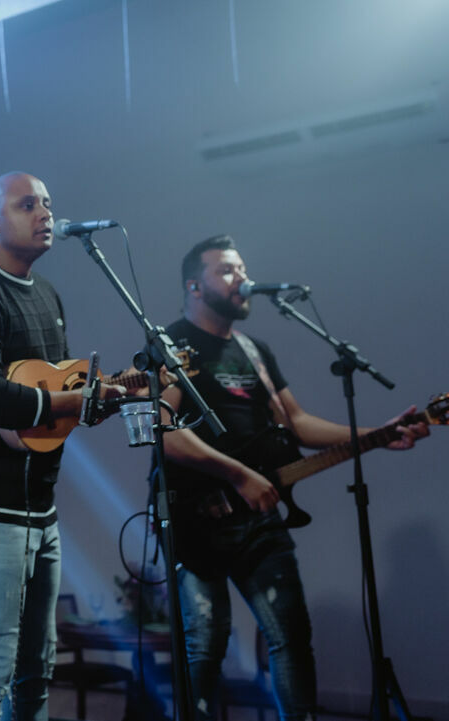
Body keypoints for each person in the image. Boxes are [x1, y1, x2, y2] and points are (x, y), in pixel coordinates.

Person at [156, 234, 428, 721]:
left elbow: (297, 423)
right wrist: (237, 474)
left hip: (260, 518)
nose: (242, 278)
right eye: (227, 270)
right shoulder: (172, 345)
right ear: (195, 286)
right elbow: (163, 433)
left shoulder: (253, 350)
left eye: (243, 268)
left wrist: (378, 434)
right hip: (195, 520)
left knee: (291, 639)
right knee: (206, 645)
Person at [0, 171, 122, 721]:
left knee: (37, 665)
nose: (45, 214)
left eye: (48, 204)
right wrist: (72, 402)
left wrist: (94, 403)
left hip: (39, 503)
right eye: (28, 204)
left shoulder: (48, 295)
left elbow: (54, 395)